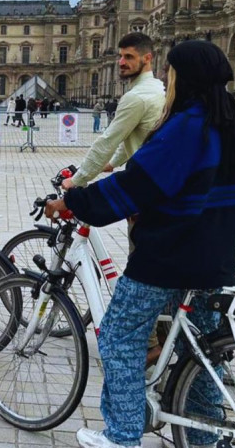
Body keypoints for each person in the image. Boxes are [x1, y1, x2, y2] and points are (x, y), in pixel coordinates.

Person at [47, 40, 235, 448]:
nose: (166, 82)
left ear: (183, 77)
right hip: (214, 250)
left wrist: (76, 201)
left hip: (171, 252)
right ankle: (200, 435)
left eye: (170, 73)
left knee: (119, 336)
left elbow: (138, 184)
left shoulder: (187, 124)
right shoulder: (226, 119)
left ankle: (122, 438)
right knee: (203, 344)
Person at [63, 33, 167, 360]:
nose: (121, 62)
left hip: (149, 198)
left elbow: (106, 140)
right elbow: (136, 137)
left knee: (140, 272)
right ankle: (166, 343)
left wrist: (78, 181)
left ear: (148, 59)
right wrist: (114, 163)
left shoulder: (135, 98)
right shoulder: (158, 91)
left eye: (129, 57)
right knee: (159, 275)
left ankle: (149, 349)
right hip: (165, 191)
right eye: (120, 56)